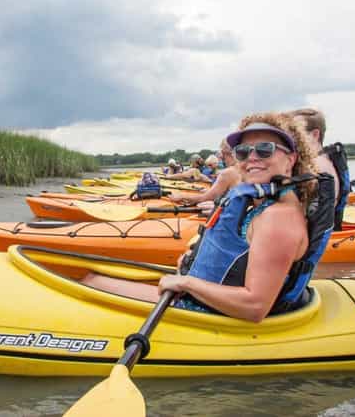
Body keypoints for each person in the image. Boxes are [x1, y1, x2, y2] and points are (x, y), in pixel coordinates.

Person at [81, 112, 328, 322]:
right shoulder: (267, 204)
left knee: (91, 282)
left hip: (206, 315)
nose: (252, 157)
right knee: (92, 277)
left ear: (291, 160)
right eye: (242, 151)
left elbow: (255, 307)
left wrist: (187, 283)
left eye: (265, 149)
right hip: (205, 303)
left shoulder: (278, 219)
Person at [288, 107, 350, 229]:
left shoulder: (317, 166)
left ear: (315, 134)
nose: (289, 138)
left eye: (295, 133)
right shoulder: (326, 161)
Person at [169, 139, 239, 208]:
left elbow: (206, 198)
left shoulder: (228, 172)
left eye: (223, 152)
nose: (221, 156)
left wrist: (182, 196)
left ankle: (168, 176)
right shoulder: (246, 171)